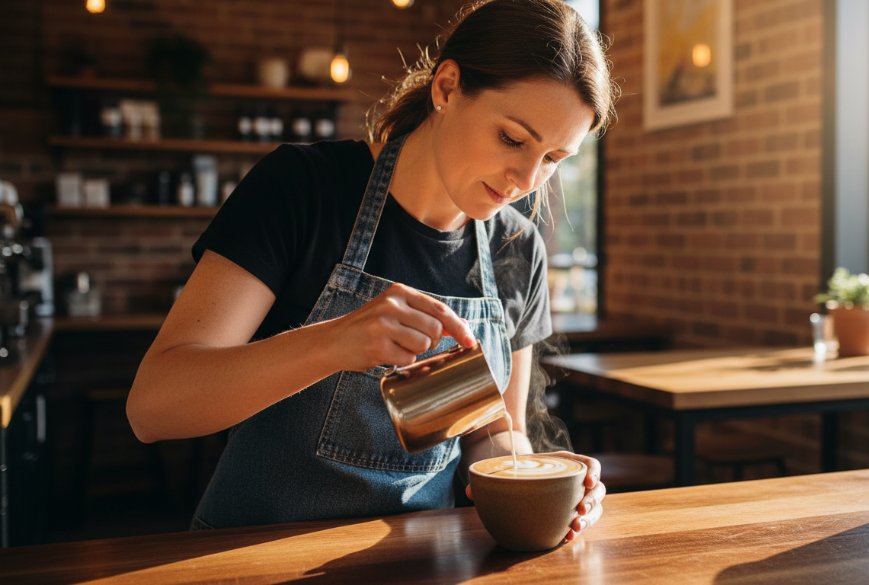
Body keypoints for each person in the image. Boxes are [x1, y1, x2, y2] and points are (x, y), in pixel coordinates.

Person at [126, 0, 618, 541]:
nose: (526, 179)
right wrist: (333, 343)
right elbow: (154, 408)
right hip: (248, 558)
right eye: (512, 139)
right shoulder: (303, 189)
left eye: (552, 159)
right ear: (447, 87)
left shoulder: (517, 249)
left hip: (419, 562)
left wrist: (538, 483)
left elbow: (492, 434)